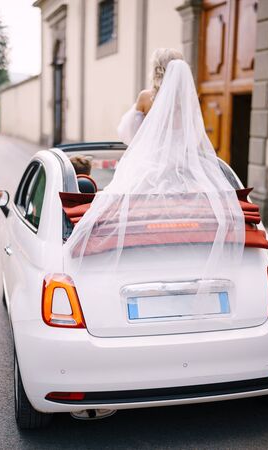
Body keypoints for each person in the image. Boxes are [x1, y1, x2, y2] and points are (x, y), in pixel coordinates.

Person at [68, 49, 245, 302]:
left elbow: (128, 134)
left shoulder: (147, 98)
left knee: (122, 213)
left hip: (148, 167)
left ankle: (132, 272)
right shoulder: (188, 101)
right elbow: (195, 139)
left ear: (157, 68)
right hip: (182, 170)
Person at [117, 48, 183, 145]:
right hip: (180, 157)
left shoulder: (145, 97)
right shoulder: (186, 100)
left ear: (157, 69)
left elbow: (128, 133)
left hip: (151, 157)